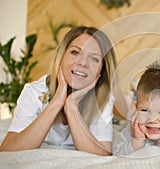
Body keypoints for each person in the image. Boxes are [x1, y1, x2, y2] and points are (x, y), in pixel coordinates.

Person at [0, 26, 117, 156]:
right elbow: (8, 149)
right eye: (75, 52)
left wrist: (71, 107)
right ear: (61, 56)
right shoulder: (34, 91)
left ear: (102, 71)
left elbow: (104, 154)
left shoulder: (104, 97)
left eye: (94, 59)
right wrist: (56, 103)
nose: (83, 63)